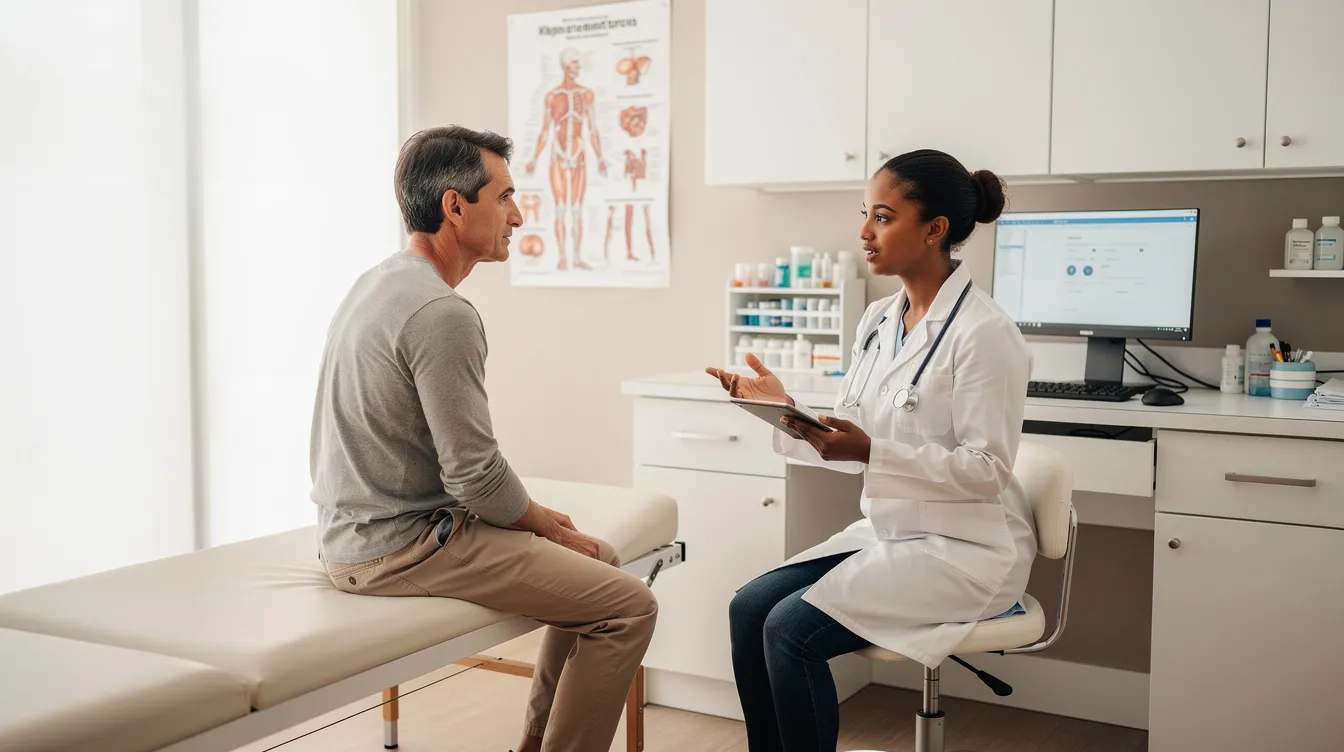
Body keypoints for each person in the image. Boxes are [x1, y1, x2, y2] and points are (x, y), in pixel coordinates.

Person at [310, 125, 656, 752]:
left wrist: (540, 521)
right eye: (505, 197)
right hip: (400, 548)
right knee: (630, 606)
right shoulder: (441, 314)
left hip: (358, 533)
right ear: (454, 206)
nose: (518, 215)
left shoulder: (377, 282)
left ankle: (534, 744)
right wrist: (543, 524)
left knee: (598, 559)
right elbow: (475, 475)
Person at [705, 149, 1036, 752]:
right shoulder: (880, 320)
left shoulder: (986, 333)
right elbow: (852, 429)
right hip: (893, 533)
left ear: (934, 229)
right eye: (866, 214)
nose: (864, 232)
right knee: (749, 607)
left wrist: (872, 454)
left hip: (969, 552)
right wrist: (783, 409)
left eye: (882, 217)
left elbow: (987, 473)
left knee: (788, 630)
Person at [524, 48, 608, 271]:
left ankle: (577, 257)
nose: (578, 67)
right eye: (574, 63)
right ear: (565, 66)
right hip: (558, 155)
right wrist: (533, 158)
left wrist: (600, 156)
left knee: (577, 209)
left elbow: (593, 129)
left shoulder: (587, 94)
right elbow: (544, 130)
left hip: (579, 154)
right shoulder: (553, 96)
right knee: (561, 208)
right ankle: (562, 257)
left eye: (578, 64)